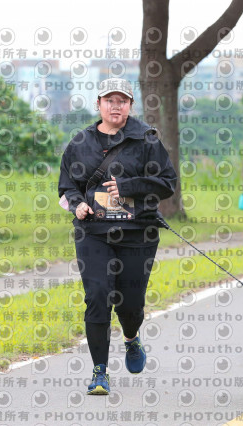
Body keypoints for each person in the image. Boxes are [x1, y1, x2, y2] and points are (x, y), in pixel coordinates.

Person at [57, 77, 177, 395]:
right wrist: (78, 204)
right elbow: (65, 186)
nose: (115, 105)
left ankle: (131, 337)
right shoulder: (80, 143)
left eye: (121, 100)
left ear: (130, 106)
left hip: (138, 232)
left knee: (130, 305)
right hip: (93, 233)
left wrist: (129, 186)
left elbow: (168, 182)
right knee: (97, 296)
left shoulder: (146, 140)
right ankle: (100, 372)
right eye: (109, 100)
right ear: (98, 104)